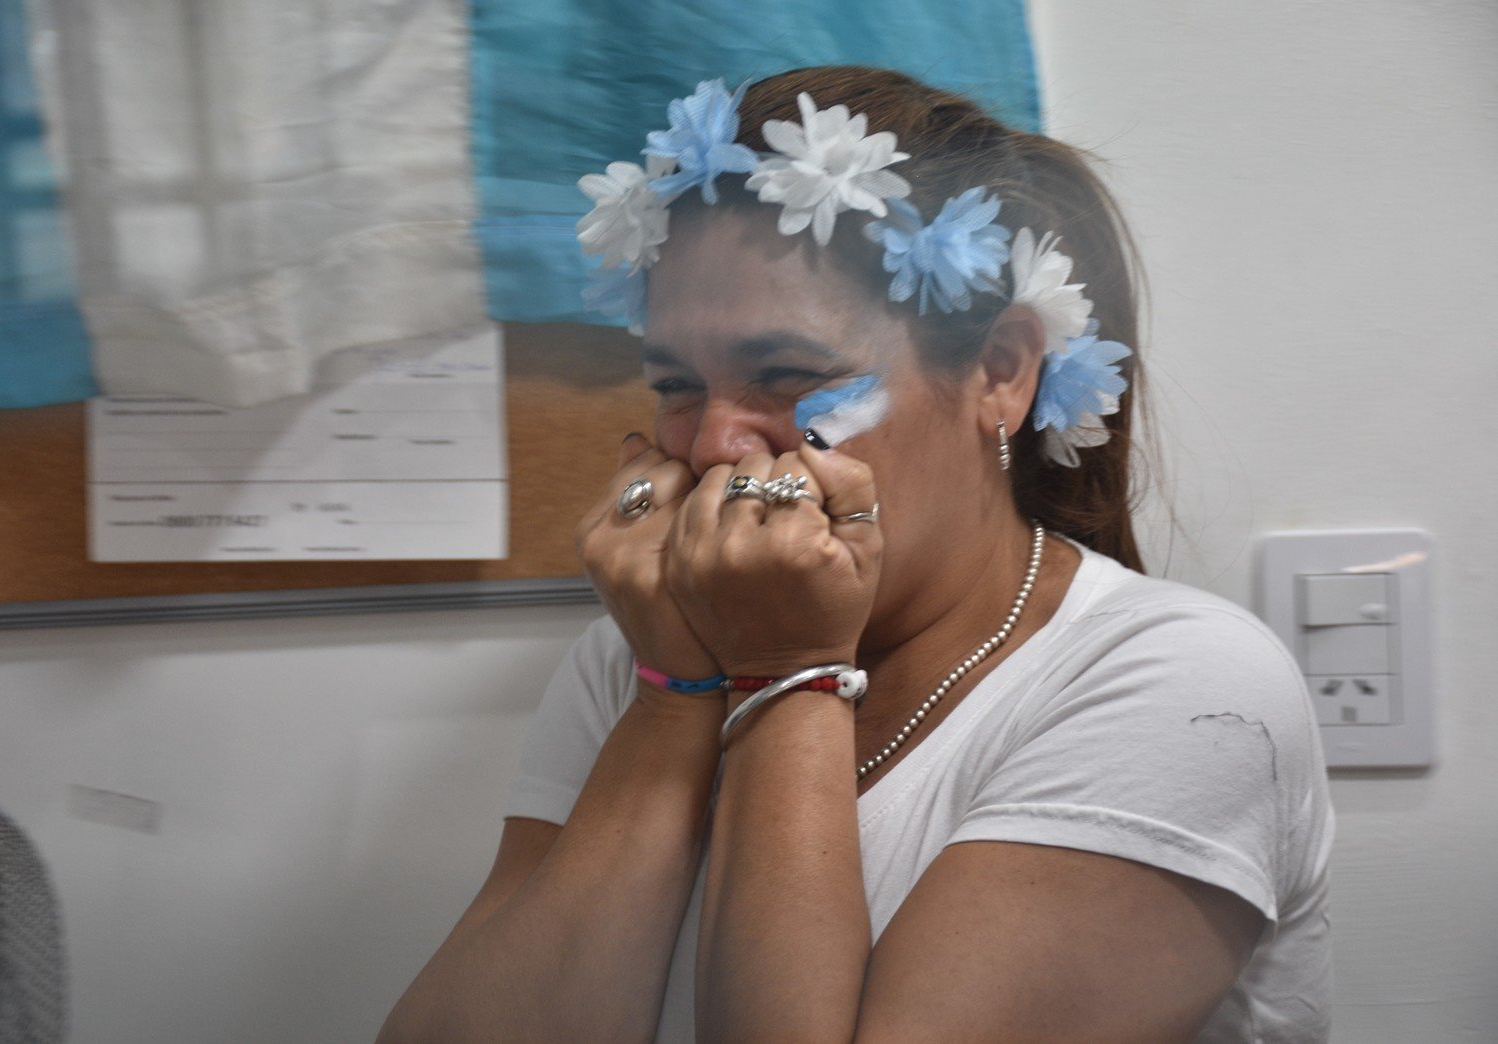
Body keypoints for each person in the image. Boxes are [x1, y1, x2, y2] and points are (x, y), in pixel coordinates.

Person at [379, 66, 1333, 1043]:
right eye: (673, 383)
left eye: (787, 374)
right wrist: (671, 698)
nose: (712, 445)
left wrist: (788, 672)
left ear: (1000, 373)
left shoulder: (1182, 686)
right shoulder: (636, 656)